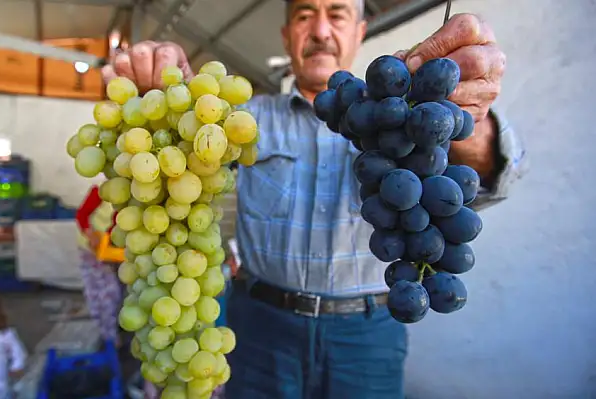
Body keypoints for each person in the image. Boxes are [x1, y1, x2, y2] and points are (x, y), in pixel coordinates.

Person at [102, 0, 527, 397]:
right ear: (287, 35)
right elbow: (174, 180)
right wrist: (168, 104)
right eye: (306, 14)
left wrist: (468, 127)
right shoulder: (242, 120)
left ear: (361, 32)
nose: (321, 30)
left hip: (370, 334)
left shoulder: (399, 117)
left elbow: (494, 177)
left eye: (337, 14)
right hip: (260, 327)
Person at [75, 184, 124, 347]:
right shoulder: (102, 190)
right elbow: (82, 216)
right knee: (103, 293)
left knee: (115, 293)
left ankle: (112, 332)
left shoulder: (133, 197)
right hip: (91, 251)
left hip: (112, 254)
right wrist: (91, 236)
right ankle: (108, 338)